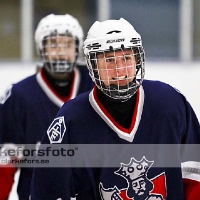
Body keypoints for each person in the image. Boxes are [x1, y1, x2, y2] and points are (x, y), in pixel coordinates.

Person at [30, 18, 200, 200]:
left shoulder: (170, 104)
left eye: (126, 58)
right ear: (93, 65)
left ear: (137, 59)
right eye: (109, 60)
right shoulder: (71, 120)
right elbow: (48, 191)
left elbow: (194, 174)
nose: (119, 69)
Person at [0, 13, 94, 200]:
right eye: (53, 44)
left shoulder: (94, 87)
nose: (60, 52)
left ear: (78, 48)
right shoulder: (19, 97)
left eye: (67, 44)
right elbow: (4, 163)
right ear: (40, 49)